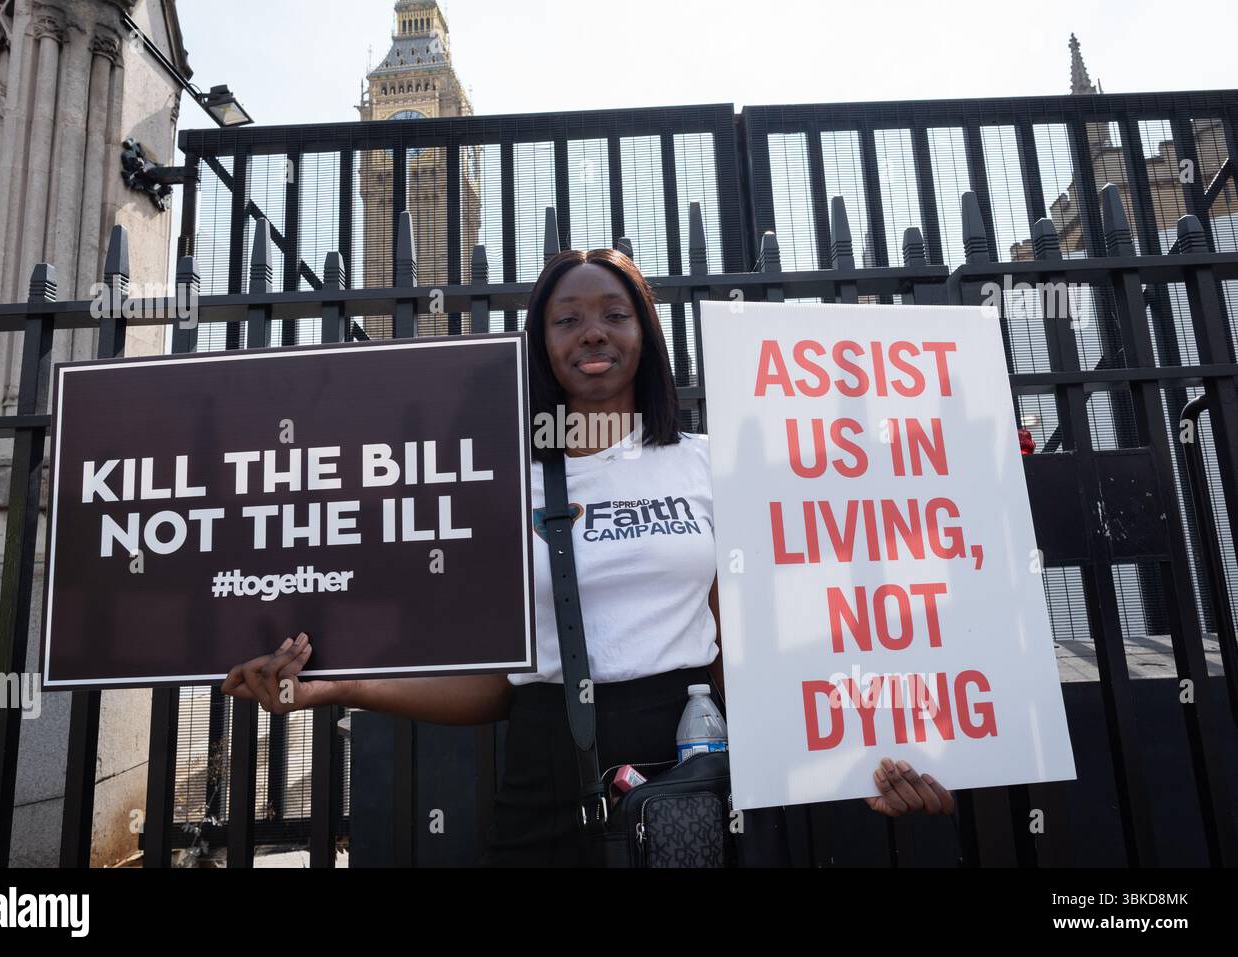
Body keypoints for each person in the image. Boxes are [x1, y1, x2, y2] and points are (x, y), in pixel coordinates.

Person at [221, 248, 956, 866]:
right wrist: (339, 688)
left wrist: (856, 758)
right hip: (546, 765)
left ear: (645, 332)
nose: (591, 333)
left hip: (688, 752)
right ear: (541, 344)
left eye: (613, 312)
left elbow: (750, 646)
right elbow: (499, 682)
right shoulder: (499, 481)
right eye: (566, 319)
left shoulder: (707, 463)